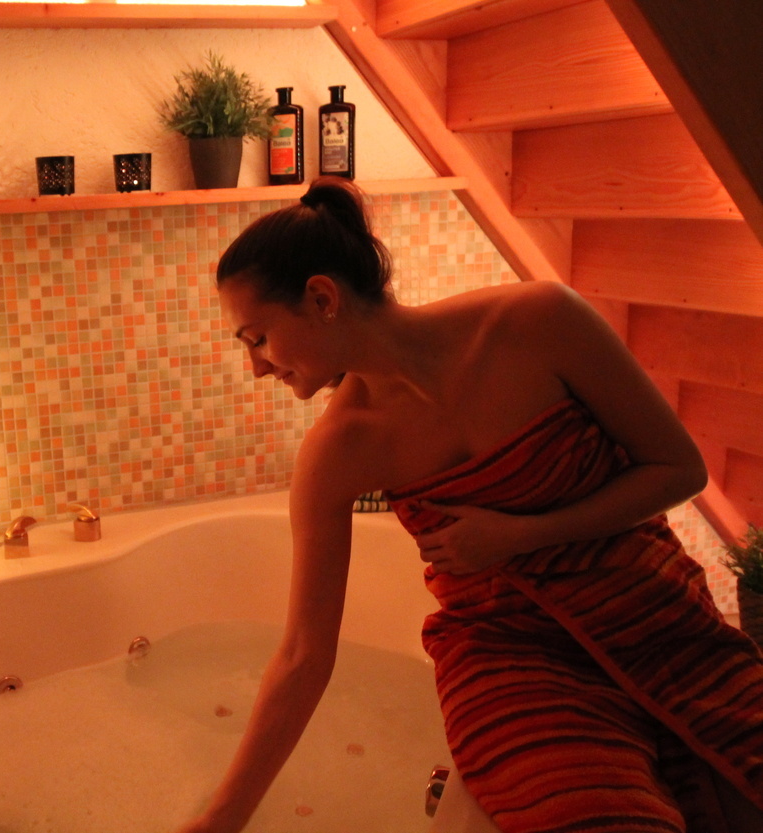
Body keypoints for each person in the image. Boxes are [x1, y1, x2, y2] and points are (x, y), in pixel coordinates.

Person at [175, 177, 763, 833]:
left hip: (650, 609)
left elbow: (679, 467)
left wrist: (524, 533)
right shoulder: (339, 452)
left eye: (257, 337)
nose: (256, 366)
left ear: (322, 298)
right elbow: (303, 657)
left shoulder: (540, 323)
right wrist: (220, 820)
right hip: (511, 659)